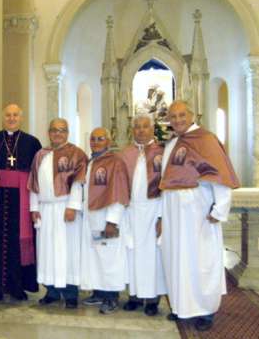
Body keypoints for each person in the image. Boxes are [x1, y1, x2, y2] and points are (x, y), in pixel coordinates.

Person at [160, 100, 240, 331]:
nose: (177, 120)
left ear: (192, 115)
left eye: (182, 115)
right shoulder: (172, 142)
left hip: (197, 210)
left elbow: (221, 177)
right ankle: (182, 307)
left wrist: (220, 209)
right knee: (177, 258)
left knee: (201, 259)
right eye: (173, 116)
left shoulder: (206, 139)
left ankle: (205, 310)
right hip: (174, 211)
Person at [0, 104, 42, 301]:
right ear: (2, 117)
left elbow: (37, 175)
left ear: (21, 118)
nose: (11, 118)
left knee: (19, 242)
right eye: (8, 115)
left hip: (22, 200)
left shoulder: (32, 143)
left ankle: (18, 287)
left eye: (15, 115)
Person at [28, 118, 87, 309]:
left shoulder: (76, 153)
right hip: (45, 210)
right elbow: (34, 184)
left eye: (61, 130)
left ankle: (70, 293)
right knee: (47, 251)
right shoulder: (40, 155)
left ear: (67, 132)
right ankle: (51, 291)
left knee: (67, 251)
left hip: (65, 209)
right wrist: (34, 208)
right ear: (48, 132)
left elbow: (78, 182)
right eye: (54, 130)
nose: (57, 133)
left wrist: (72, 206)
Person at [120, 113, 167, 316]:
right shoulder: (126, 153)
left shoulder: (162, 153)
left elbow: (167, 187)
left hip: (153, 208)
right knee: (131, 254)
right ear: (133, 130)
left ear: (152, 128)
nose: (140, 130)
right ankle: (135, 296)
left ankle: (153, 298)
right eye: (137, 127)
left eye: (144, 126)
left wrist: (162, 216)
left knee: (152, 256)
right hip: (131, 211)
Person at [80, 127, 130, 314]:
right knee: (95, 258)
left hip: (106, 219)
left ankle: (111, 298)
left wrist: (112, 221)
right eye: (93, 139)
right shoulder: (91, 161)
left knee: (109, 259)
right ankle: (99, 292)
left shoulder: (115, 162)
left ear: (108, 142)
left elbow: (119, 192)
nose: (95, 142)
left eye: (100, 139)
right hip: (91, 218)